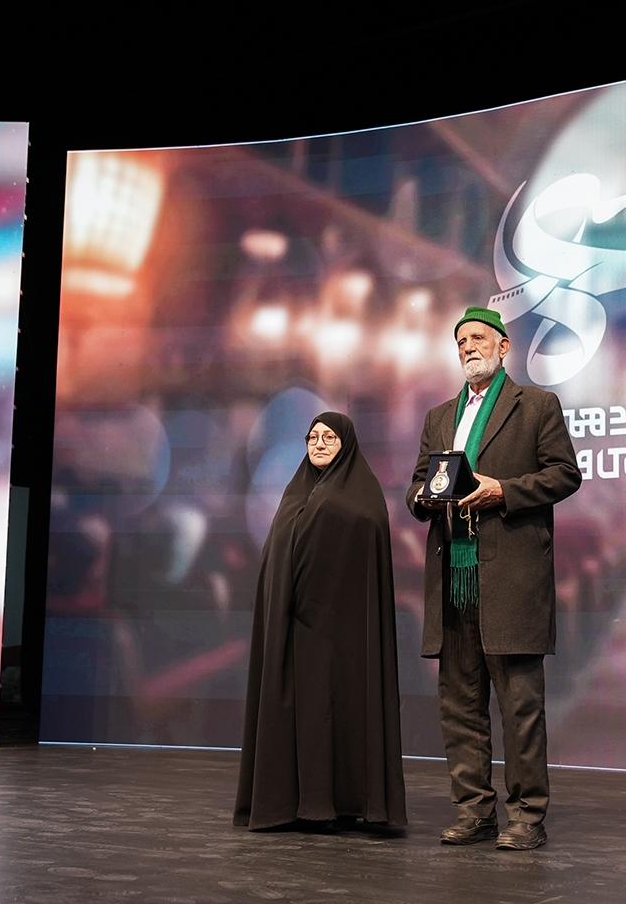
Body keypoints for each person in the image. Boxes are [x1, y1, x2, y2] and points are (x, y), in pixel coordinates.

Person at [406, 307, 580, 849]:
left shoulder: (537, 405)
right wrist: (422, 498)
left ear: (504, 347)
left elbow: (565, 474)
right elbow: (418, 484)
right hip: (452, 581)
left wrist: (503, 491)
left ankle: (526, 816)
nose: (468, 347)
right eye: (461, 341)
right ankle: (474, 811)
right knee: (460, 705)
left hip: (511, 578)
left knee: (520, 706)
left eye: (478, 338)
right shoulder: (439, 416)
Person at [235, 412, 408, 830]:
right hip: (295, 629)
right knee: (302, 714)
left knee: (338, 713)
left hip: (343, 633)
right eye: (312, 437)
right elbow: (278, 557)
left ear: (346, 444)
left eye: (329, 437)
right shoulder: (295, 493)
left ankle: (343, 801)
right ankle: (293, 803)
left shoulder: (361, 498)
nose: (319, 443)